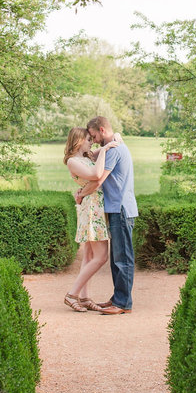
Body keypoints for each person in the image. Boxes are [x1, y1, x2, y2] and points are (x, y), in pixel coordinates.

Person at [77, 116, 136, 315]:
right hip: (116, 208)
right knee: (117, 257)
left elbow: (98, 180)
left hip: (121, 208)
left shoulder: (114, 150)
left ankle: (123, 303)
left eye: (93, 135)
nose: (93, 140)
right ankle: (117, 298)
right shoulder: (113, 146)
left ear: (102, 130)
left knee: (123, 257)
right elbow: (95, 156)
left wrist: (80, 194)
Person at [62, 126, 120, 312]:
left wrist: (112, 140)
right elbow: (96, 175)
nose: (91, 142)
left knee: (88, 255)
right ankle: (72, 294)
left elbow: (113, 140)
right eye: (88, 139)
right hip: (92, 209)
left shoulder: (86, 156)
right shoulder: (73, 161)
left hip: (97, 206)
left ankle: (85, 297)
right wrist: (103, 150)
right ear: (78, 141)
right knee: (101, 256)